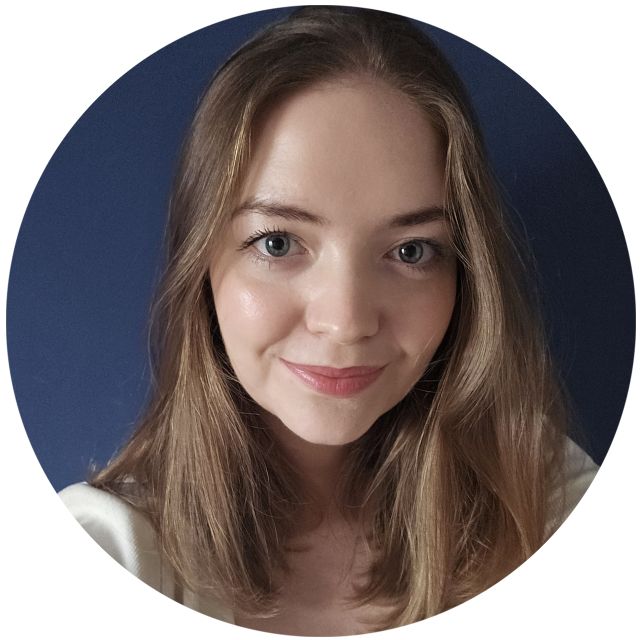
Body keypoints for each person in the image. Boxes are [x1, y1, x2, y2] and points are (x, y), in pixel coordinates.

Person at [59, 6, 598, 635]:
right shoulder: (103, 553)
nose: (345, 322)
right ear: (201, 264)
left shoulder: (545, 504)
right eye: (278, 243)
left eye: (411, 251)